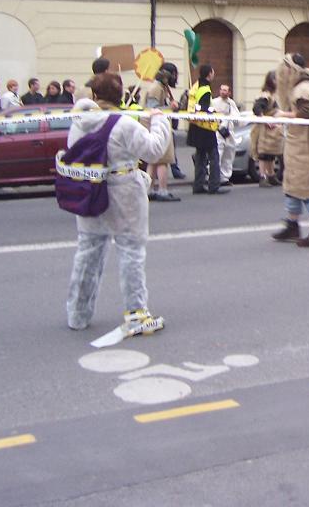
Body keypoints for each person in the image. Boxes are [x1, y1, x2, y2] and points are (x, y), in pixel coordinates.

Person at [64, 72, 170, 335]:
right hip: (124, 193)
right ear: (120, 96)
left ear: (95, 96)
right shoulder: (124, 124)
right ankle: (136, 314)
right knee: (131, 252)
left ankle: (77, 313)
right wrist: (159, 122)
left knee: (87, 252)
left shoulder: (79, 123)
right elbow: (154, 150)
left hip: (89, 189)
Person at [273, 55, 309, 247]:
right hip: (302, 143)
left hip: (306, 144)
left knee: (308, 187)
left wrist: (283, 114)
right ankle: (293, 224)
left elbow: (308, 112)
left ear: (291, 71)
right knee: (293, 185)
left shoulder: (303, 89)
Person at [187, 64, 227, 195]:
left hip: (195, 126)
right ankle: (214, 185)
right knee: (214, 156)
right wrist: (214, 113)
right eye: (213, 72)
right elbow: (204, 109)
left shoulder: (196, 85)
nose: (214, 74)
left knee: (200, 156)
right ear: (209, 74)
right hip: (205, 128)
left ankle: (198, 185)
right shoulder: (205, 89)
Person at [144, 64, 180, 202]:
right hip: (157, 127)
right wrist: (169, 107)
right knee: (163, 160)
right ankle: (162, 190)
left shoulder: (162, 88)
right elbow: (152, 108)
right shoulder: (155, 89)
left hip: (158, 125)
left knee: (154, 161)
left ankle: (150, 189)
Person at [251, 71, 284, 188]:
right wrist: (266, 120)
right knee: (263, 153)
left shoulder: (273, 95)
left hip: (271, 130)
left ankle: (271, 175)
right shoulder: (265, 95)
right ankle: (263, 177)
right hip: (264, 129)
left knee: (270, 153)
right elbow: (257, 108)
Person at [212, 84, 240, 186]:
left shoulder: (231, 103)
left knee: (228, 155)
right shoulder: (214, 102)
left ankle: (225, 178)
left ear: (229, 92)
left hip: (229, 133)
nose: (223, 92)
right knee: (218, 154)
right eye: (222, 90)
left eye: (225, 90)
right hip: (218, 132)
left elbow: (236, 117)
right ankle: (215, 176)